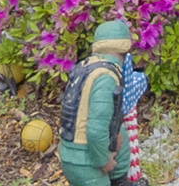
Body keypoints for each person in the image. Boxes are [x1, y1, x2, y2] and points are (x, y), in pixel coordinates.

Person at [56, 18, 138, 186]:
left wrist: (115, 138)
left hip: (74, 153)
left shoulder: (86, 66)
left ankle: (120, 181)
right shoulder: (106, 77)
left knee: (120, 134)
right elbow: (95, 129)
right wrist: (103, 160)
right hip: (84, 160)